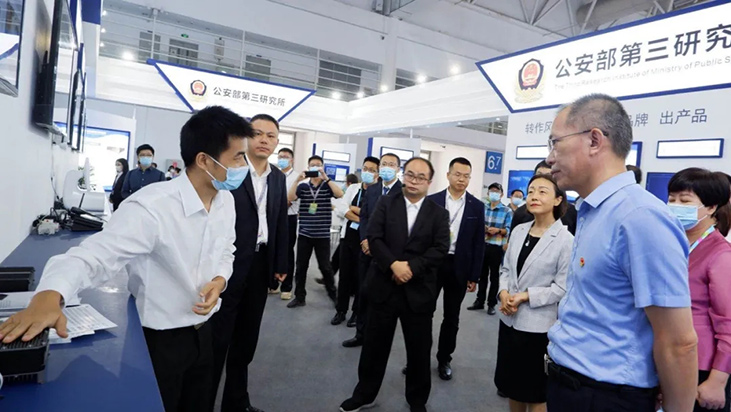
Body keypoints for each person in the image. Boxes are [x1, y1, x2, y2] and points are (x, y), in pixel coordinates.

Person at [0, 106, 251, 411]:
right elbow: (92, 256)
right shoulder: (152, 208)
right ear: (204, 160)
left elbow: (227, 249)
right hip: (161, 342)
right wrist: (49, 295)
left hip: (205, 332)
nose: (245, 165)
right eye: (239, 157)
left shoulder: (225, 201)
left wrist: (220, 279)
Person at [545, 94, 697, 412]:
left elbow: (678, 342)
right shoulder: (594, 211)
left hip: (604, 397)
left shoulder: (639, 217)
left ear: (594, 140)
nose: (549, 158)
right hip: (572, 387)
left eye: (555, 143)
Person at [339, 157, 450, 412]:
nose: (414, 181)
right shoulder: (386, 203)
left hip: (418, 291)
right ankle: (364, 394)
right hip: (383, 286)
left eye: (421, 177)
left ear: (429, 181)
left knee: (419, 351)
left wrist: (410, 268)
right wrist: (393, 265)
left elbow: (440, 248)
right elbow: (374, 237)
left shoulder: (438, 214)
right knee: (374, 346)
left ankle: (417, 400)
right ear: (403, 175)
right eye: (410, 175)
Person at [209, 114, 288, 412]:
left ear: (277, 142)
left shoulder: (277, 177)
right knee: (217, 340)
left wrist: (281, 263)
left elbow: (280, 222)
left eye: (271, 135)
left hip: (260, 263)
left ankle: (236, 403)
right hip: (226, 266)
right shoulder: (229, 172)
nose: (264, 140)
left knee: (246, 340)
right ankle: (203, 402)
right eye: (257, 133)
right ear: (246, 137)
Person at [494, 173, 573, 412]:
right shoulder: (519, 230)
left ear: (558, 200)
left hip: (538, 328)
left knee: (535, 392)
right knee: (512, 386)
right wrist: (503, 293)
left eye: (542, 192)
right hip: (509, 321)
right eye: (530, 192)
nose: (533, 196)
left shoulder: (565, 240)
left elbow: (562, 287)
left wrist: (526, 295)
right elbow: (505, 269)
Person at [667, 168, 731, 412]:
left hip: (702, 367)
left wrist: (717, 381)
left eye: (684, 201)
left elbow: (729, 324)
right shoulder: (674, 244)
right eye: (672, 199)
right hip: (668, 358)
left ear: (711, 207)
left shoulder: (721, 254)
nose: (675, 206)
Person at [424, 157, 485, 380]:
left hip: (459, 266)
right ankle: (418, 358)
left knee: (452, 316)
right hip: (432, 264)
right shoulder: (432, 201)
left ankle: (444, 359)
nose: (462, 179)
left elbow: (479, 243)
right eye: (457, 174)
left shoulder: (476, 206)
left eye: (466, 176)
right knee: (423, 312)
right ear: (448, 175)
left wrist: (474, 275)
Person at [342, 152, 402, 348]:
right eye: (384, 164)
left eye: (391, 164)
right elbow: (365, 216)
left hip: (389, 254)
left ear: (398, 169)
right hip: (367, 250)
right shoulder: (373, 189)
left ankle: (377, 338)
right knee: (363, 291)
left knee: (384, 296)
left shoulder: (403, 192)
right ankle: (360, 333)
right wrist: (365, 239)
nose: (387, 168)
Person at [287, 155, 344, 308]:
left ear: (322, 167)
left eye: (318, 165)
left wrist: (326, 178)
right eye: (312, 165)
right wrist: (297, 180)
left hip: (322, 235)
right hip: (305, 234)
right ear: (308, 167)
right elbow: (290, 197)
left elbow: (340, 194)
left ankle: (334, 295)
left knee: (325, 267)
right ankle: (299, 297)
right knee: (301, 267)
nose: (315, 167)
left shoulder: (327, 186)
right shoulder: (303, 187)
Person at [332, 158, 380, 327]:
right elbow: (342, 209)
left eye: (372, 170)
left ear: (378, 173)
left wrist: (354, 211)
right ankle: (341, 310)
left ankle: (356, 312)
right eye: (365, 168)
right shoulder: (353, 188)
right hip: (348, 237)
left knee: (361, 278)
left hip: (365, 241)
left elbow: (375, 216)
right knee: (344, 276)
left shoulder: (379, 192)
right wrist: (362, 218)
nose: (367, 172)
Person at [467, 182, 511, 315]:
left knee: (494, 277)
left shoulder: (506, 211)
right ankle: (479, 301)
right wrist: (484, 228)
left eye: (497, 192)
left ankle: (491, 304)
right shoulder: (482, 208)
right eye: (492, 191)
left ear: (501, 194)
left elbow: (509, 229)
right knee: (482, 275)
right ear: (488, 193)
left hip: (496, 247)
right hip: (482, 245)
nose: (494, 194)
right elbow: (476, 224)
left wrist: (498, 230)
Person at [510, 160, 578, 236]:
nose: (542, 180)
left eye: (548, 176)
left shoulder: (572, 213)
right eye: (539, 175)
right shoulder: (520, 213)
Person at [276, 147, 298, 300]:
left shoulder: (297, 177)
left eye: (285, 157)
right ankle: (273, 284)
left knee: (287, 251)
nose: (282, 159)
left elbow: (291, 200)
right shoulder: (273, 174)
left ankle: (286, 286)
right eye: (280, 157)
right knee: (273, 249)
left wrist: (276, 206)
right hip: (273, 217)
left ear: (292, 160)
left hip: (289, 217)